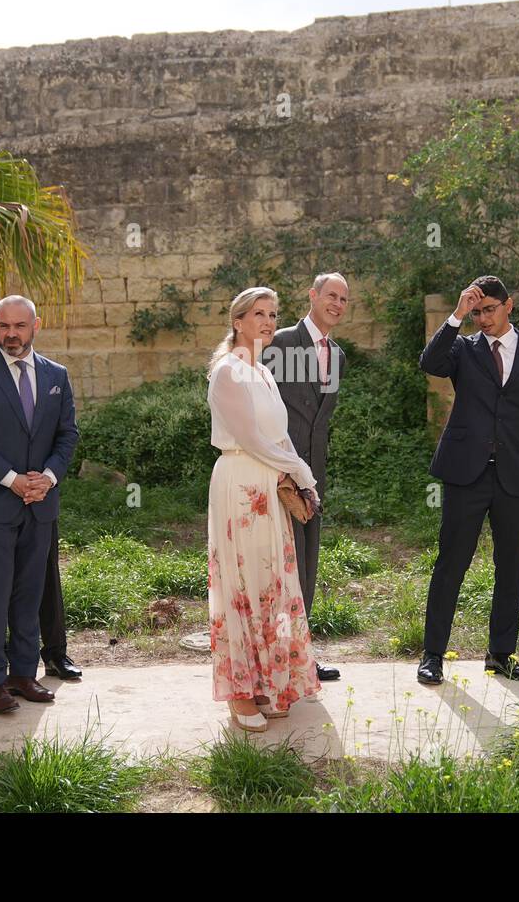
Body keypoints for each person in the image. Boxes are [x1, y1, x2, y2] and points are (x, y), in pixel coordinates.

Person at [417, 276, 519, 685]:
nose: (483, 318)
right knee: (451, 563)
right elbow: (429, 363)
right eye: (477, 311)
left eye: (489, 309)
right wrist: (456, 316)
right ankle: (433, 655)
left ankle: (501, 655)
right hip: (466, 472)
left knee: (511, 568)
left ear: (509, 306)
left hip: (516, 476)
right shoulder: (463, 349)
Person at [0, 296, 79, 714]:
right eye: (4, 326)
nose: (11, 334)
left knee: (29, 593)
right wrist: (13, 480)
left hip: (41, 505)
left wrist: (48, 478)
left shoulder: (56, 374)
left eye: (20, 326)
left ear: (35, 326)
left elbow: (67, 436)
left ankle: (24, 674)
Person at [206, 287, 322, 732]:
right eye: (259, 313)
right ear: (238, 321)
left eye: (274, 314)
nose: (269, 321)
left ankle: (269, 683)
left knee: (271, 581)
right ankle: (239, 693)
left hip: (269, 483)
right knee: (240, 584)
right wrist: (301, 471)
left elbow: (279, 437)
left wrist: (299, 475)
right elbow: (251, 439)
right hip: (238, 482)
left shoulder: (265, 373)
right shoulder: (228, 372)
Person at [266, 272, 348, 682]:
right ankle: (271, 658)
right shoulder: (279, 343)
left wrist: (313, 477)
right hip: (277, 473)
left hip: (314, 476)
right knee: (280, 565)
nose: (337, 303)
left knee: (308, 565)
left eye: (344, 299)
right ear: (313, 296)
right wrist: (277, 465)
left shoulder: (339, 356)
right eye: (331, 295)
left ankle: (301, 656)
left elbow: (320, 420)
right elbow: (260, 407)